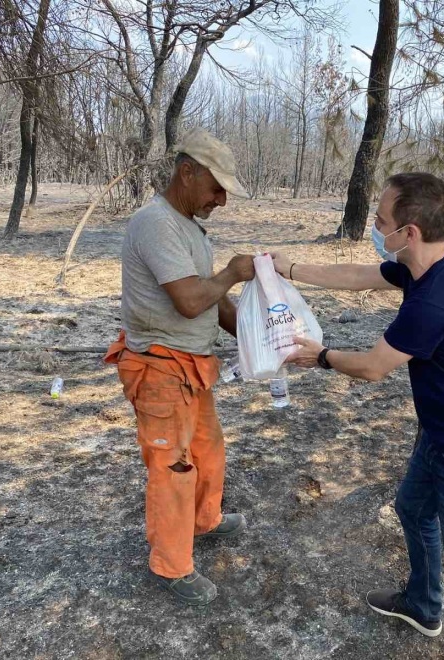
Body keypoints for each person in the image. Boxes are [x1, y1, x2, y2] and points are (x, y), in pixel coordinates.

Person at [271, 172, 444, 659]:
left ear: (409, 232)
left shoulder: (435, 300)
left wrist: (320, 356)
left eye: (381, 221)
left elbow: (371, 368)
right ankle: (424, 605)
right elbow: (362, 276)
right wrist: (294, 268)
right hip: (442, 433)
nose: (374, 227)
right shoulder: (426, 267)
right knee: (412, 508)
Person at [104, 128, 255, 606]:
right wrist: (232, 271)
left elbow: (213, 302)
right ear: (186, 172)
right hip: (160, 369)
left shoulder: (187, 225)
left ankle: (203, 521)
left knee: (208, 451)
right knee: (172, 465)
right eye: (216, 188)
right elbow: (192, 301)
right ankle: (170, 565)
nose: (221, 200)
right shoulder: (155, 222)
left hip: (194, 367)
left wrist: (264, 339)